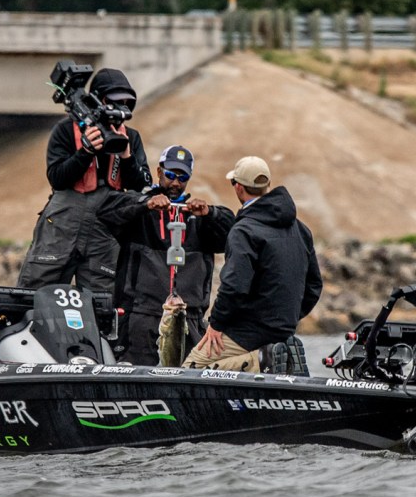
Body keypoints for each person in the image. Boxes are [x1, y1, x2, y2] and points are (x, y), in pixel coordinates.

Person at [182, 156, 322, 374]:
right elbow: (314, 286)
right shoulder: (301, 229)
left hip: (244, 332)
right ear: (268, 184)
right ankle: (275, 358)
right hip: (283, 332)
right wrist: (286, 319)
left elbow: (234, 286)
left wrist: (216, 324)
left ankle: (262, 361)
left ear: (238, 187)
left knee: (190, 369)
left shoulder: (244, 230)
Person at [18, 68, 152, 294]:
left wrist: (126, 157)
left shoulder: (131, 137)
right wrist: (86, 151)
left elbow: (143, 186)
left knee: (100, 298)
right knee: (38, 289)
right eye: (114, 101)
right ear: (99, 100)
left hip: (105, 228)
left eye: (126, 103)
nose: (120, 107)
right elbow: (57, 178)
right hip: (63, 224)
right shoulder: (65, 129)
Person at [98, 145, 234, 365]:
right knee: (137, 376)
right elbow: (106, 211)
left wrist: (211, 213)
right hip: (141, 317)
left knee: (188, 379)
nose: (176, 183)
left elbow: (234, 233)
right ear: (159, 171)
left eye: (183, 178)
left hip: (188, 319)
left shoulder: (199, 218)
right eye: (170, 175)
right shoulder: (140, 211)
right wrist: (145, 203)